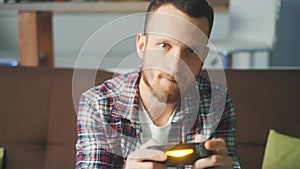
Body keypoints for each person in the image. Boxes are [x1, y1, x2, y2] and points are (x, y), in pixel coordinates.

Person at [76, 0, 241, 168]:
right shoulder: (98, 104)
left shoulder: (216, 100)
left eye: (191, 51)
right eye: (164, 45)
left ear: (203, 57)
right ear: (142, 45)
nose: (175, 66)